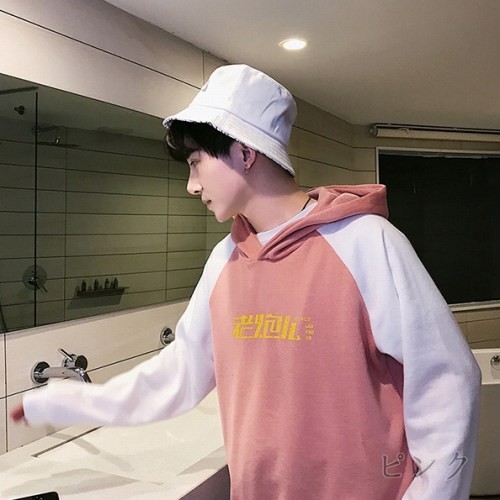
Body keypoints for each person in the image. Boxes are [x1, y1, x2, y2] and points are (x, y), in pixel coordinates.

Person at [11, 64, 481, 499]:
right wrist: (74, 403)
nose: (191, 185)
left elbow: (447, 387)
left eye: (196, 162)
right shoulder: (225, 260)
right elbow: (177, 374)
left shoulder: (366, 243)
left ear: (244, 151)